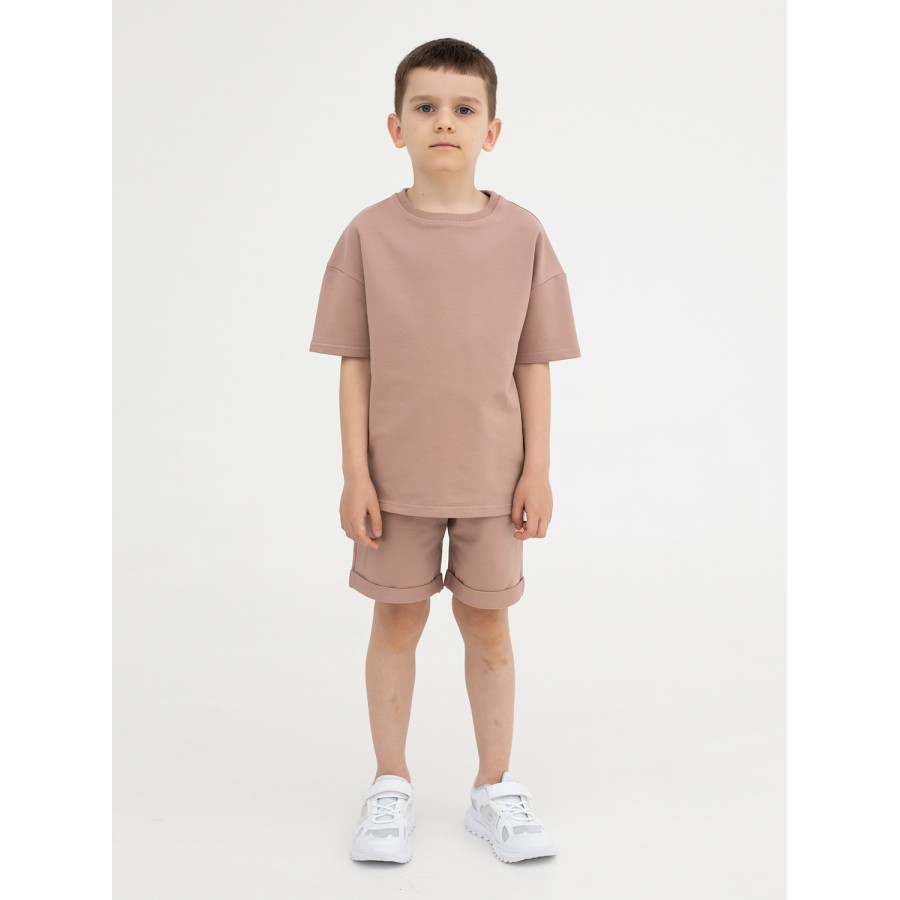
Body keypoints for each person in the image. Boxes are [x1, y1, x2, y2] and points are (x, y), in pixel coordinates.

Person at [308, 37, 581, 864]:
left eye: (464, 109)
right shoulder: (367, 235)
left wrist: (537, 468)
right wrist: (355, 473)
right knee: (396, 621)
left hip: (495, 480)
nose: (444, 123)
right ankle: (389, 784)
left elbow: (533, 362)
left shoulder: (523, 235)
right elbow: (355, 362)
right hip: (395, 482)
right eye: (425, 107)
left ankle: (494, 788)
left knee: (488, 626)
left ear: (491, 131)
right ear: (396, 127)